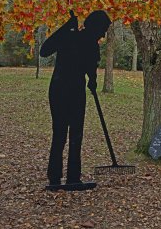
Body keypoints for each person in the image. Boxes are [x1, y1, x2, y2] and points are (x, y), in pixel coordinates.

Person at [40, 10, 111, 188]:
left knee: (76, 135)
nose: (103, 34)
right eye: (103, 29)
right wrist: (65, 27)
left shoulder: (92, 45)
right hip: (60, 90)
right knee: (60, 133)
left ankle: (73, 177)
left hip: (76, 91)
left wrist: (93, 82)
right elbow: (44, 50)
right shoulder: (69, 36)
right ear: (95, 26)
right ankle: (54, 177)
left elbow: (90, 68)